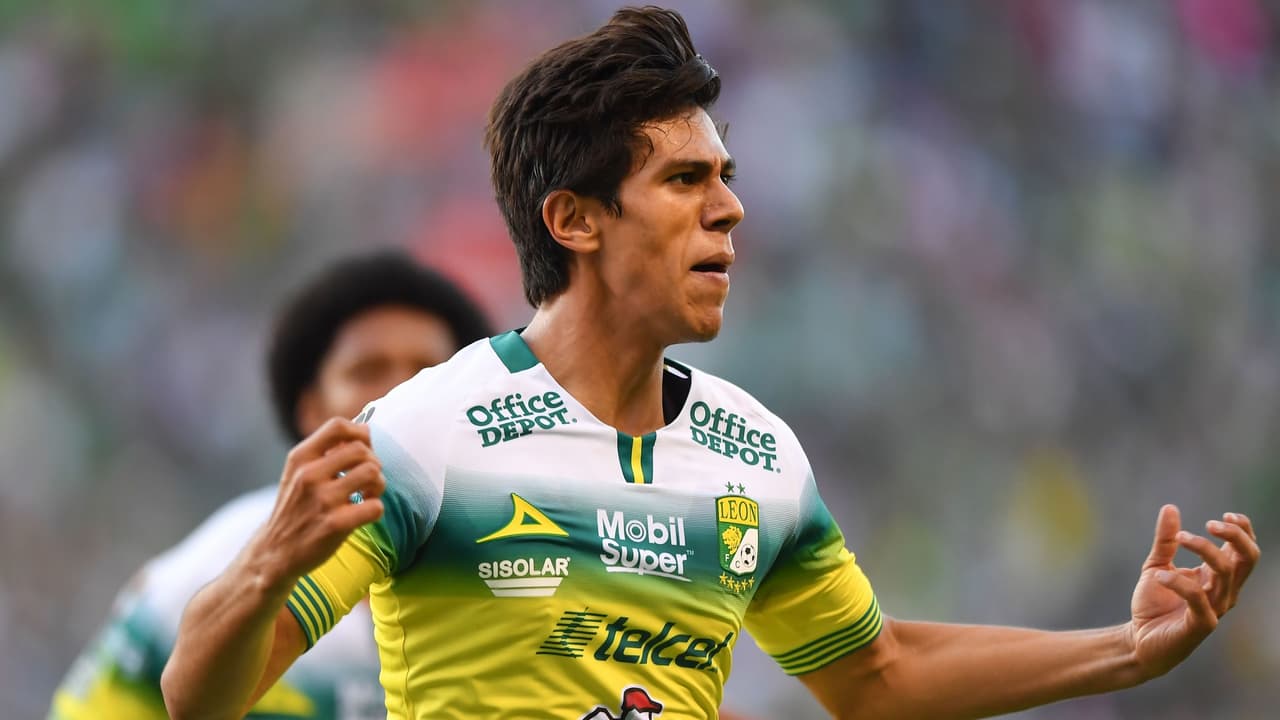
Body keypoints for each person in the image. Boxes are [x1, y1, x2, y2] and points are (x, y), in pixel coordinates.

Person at [160, 7, 1260, 720]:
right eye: (685, 181)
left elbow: (876, 677)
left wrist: (1124, 650)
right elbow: (196, 699)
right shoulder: (427, 432)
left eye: (725, 177)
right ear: (575, 220)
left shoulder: (756, 454)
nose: (730, 209)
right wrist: (263, 569)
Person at [49, 251, 493, 720]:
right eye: (367, 371)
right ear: (311, 410)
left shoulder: (524, 560)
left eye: (428, 372)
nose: (403, 396)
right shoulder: (203, 574)